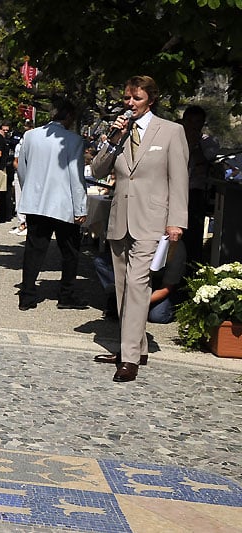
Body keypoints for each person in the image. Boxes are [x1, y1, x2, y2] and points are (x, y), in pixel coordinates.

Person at [91, 75, 189, 383]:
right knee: (123, 288)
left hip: (153, 222)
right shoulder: (119, 132)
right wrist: (111, 139)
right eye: (126, 98)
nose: (129, 103)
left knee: (136, 284)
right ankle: (138, 347)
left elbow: (179, 180)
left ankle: (129, 357)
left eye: (136, 98)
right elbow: (97, 170)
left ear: (151, 100)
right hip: (121, 219)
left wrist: (177, 221)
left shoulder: (171, 132)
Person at [16, 99, 88, 311]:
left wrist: (28, 190)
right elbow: (76, 177)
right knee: (70, 251)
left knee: (34, 249)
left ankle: (27, 294)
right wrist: (81, 207)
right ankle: (66, 293)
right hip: (63, 203)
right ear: (68, 117)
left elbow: (22, 168)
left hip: (37, 201)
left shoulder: (30, 135)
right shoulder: (73, 140)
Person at [93, 239, 186, 325]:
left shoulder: (176, 250)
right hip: (137, 278)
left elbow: (166, 288)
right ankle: (118, 296)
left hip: (162, 286)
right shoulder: (139, 239)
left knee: (157, 316)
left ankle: (176, 305)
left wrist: (137, 302)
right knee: (100, 261)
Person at [181, 105, 220, 265]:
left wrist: (195, 143)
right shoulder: (174, 139)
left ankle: (191, 268)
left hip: (195, 193)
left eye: (197, 122)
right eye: (189, 121)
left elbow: (205, 161)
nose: (192, 125)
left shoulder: (208, 142)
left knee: (193, 235)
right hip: (172, 192)